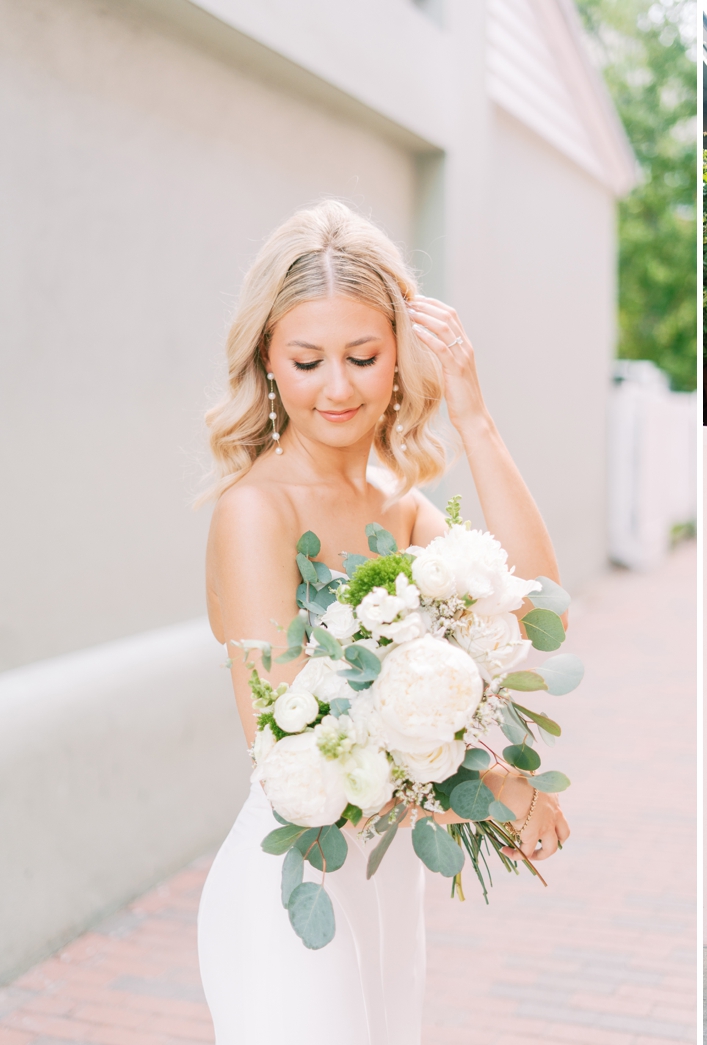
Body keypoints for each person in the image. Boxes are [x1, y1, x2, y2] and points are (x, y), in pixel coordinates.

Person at [196, 200, 571, 1043]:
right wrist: (494, 788)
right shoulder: (255, 512)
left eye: (363, 356)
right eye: (308, 359)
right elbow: (288, 737)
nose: (338, 386)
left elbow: (540, 603)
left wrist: (474, 416)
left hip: (382, 872)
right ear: (268, 360)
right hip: (296, 873)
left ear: (400, 354)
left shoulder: (397, 506)